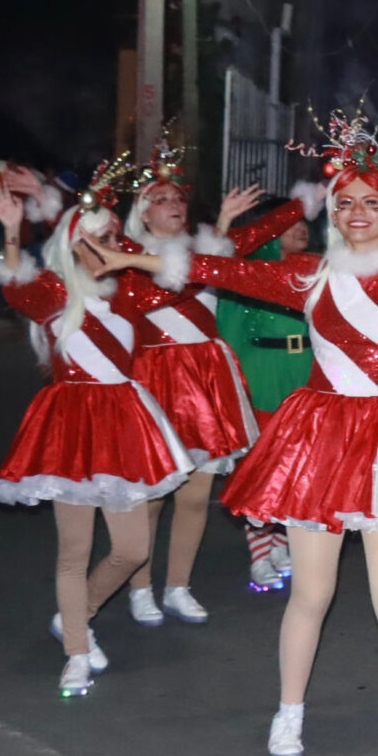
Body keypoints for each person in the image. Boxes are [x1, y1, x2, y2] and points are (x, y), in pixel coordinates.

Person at [83, 108, 378, 756]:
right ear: (333, 211)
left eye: (371, 203)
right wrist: (130, 255)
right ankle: (290, 709)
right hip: (323, 441)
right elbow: (219, 271)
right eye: (346, 203)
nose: (357, 212)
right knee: (311, 592)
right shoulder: (308, 274)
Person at [0, 158, 194, 697]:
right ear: (72, 240)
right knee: (73, 552)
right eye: (93, 239)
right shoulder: (53, 291)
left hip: (125, 424)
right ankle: (76, 650)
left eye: (111, 239)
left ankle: (77, 614)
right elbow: (13, 289)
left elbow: (180, 271)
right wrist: (12, 229)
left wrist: (131, 255)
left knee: (132, 550)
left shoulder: (132, 293)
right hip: (71, 425)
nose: (102, 248)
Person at [112, 145, 299, 625]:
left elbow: (258, 233)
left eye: (178, 197)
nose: (173, 204)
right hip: (154, 382)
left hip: (205, 382)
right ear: (141, 212)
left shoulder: (207, 252)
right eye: (160, 198)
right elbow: (161, 289)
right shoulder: (127, 261)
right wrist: (218, 240)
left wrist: (313, 197)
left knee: (195, 496)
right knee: (152, 497)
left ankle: (177, 585)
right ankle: (139, 589)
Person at [212, 202, 313, 590]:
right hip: (261, 370)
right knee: (260, 464)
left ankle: (281, 539)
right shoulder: (251, 272)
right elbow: (228, 328)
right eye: (289, 223)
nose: (300, 229)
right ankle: (260, 550)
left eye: (304, 221)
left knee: (297, 463)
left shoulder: (317, 267)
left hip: (306, 367)